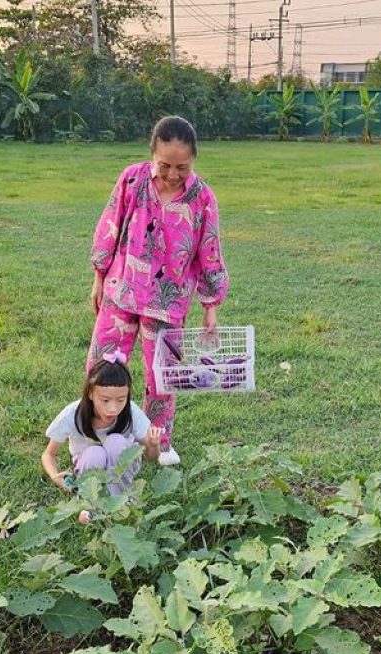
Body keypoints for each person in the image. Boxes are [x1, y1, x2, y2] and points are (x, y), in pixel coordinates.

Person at [88, 115, 229, 467]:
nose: (171, 174)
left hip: (169, 303)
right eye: (164, 165)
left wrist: (210, 306)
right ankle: (100, 433)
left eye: (181, 167)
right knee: (102, 365)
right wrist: (98, 276)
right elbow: (109, 224)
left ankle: (158, 442)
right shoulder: (132, 179)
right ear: (151, 154)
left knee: (163, 376)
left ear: (194, 159)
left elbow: (209, 250)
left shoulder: (203, 198)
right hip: (121, 291)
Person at [41, 352, 164, 509]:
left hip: (121, 460)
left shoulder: (130, 412)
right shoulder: (73, 414)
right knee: (95, 453)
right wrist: (54, 476)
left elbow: (152, 458)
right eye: (105, 400)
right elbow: (48, 454)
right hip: (88, 463)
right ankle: (91, 503)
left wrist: (153, 445)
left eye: (121, 400)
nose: (113, 408)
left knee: (116, 442)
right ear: (91, 394)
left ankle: (123, 501)